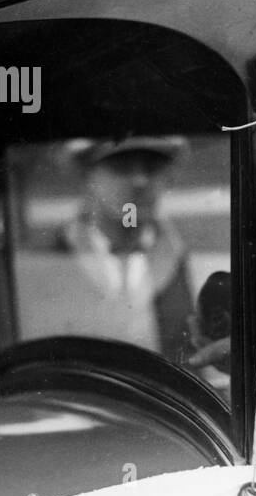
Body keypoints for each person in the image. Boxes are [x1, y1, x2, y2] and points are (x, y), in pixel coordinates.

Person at [56, 136, 195, 359]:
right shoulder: (54, 255)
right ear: (87, 175)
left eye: (152, 167)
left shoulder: (176, 254)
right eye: (120, 166)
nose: (140, 181)